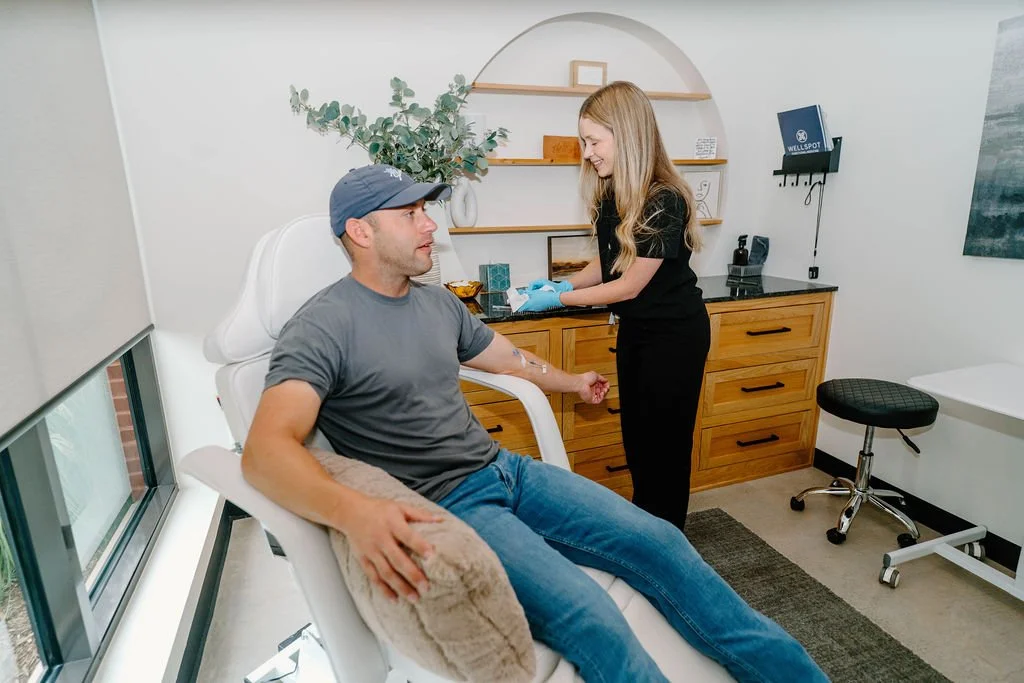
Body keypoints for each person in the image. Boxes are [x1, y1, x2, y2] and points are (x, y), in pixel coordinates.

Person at [243, 163, 826, 683]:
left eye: (426, 210)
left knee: (663, 542)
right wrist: (357, 512)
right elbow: (265, 450)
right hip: (447, 504)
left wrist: (572, 383)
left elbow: (506, 358)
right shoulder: (322, 325)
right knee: (592, 617)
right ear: (360, 232)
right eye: (411, 214)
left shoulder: (437, 301)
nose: (430, 226)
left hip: (507, 473)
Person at [520, 80, 710, 533]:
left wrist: (560, 299)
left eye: (593, 141)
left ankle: (667, 546)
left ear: (627, 135)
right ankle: (647, 534)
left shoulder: (664, 199)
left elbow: (629, 286)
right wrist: (560, 282)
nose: (587, 153)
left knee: (664, 450)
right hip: (637, 333)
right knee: (639, 444)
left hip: (675, 337)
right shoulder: (611, 191)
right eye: (584, 142)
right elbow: (609, 264)